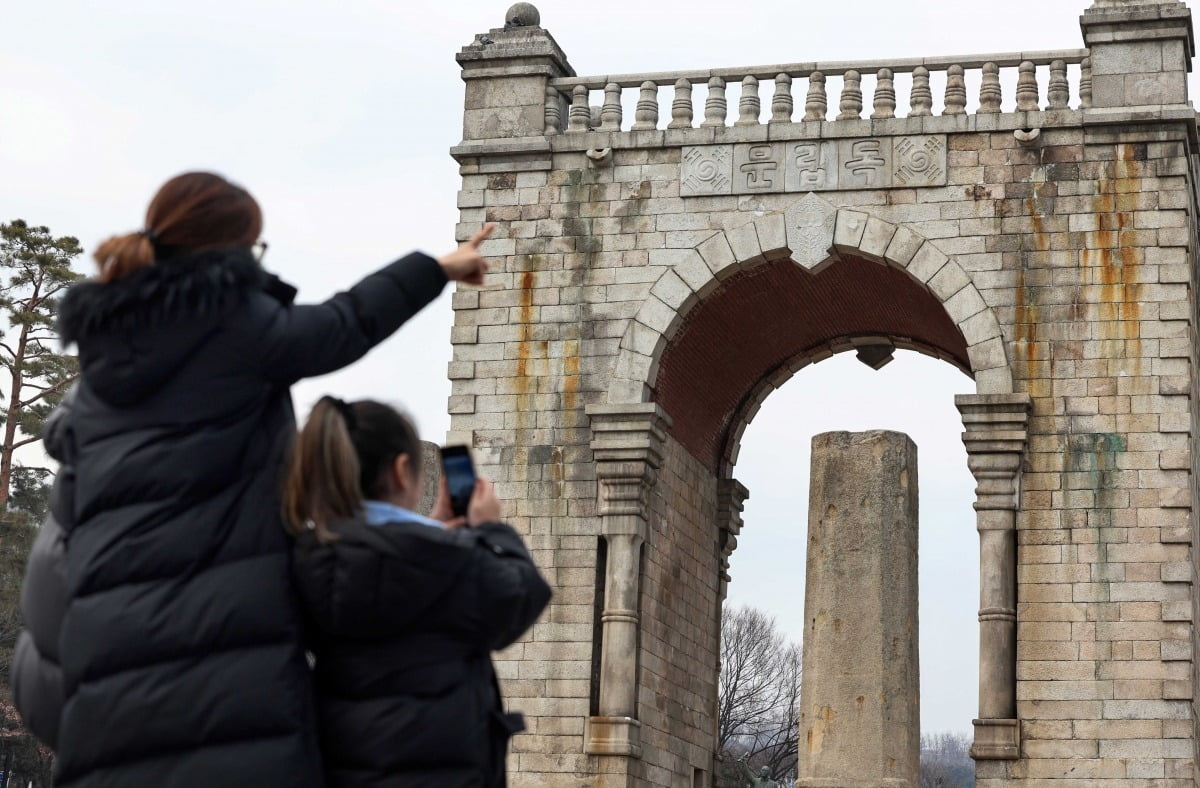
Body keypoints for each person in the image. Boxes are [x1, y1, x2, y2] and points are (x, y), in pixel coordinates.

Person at [26, 171, 493, 788]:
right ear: (232, 250)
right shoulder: (232, 324)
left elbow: (63, 532)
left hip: (107, 662)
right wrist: (438, 268)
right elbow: (345, 323)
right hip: (224, 646)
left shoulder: (104, 364)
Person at [285, 397, 551, 788]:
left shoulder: (308, 556)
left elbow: (385, 560)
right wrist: (491, 529)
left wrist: (430, 532)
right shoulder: (447, 561)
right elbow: (522, 593)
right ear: (402, 469)